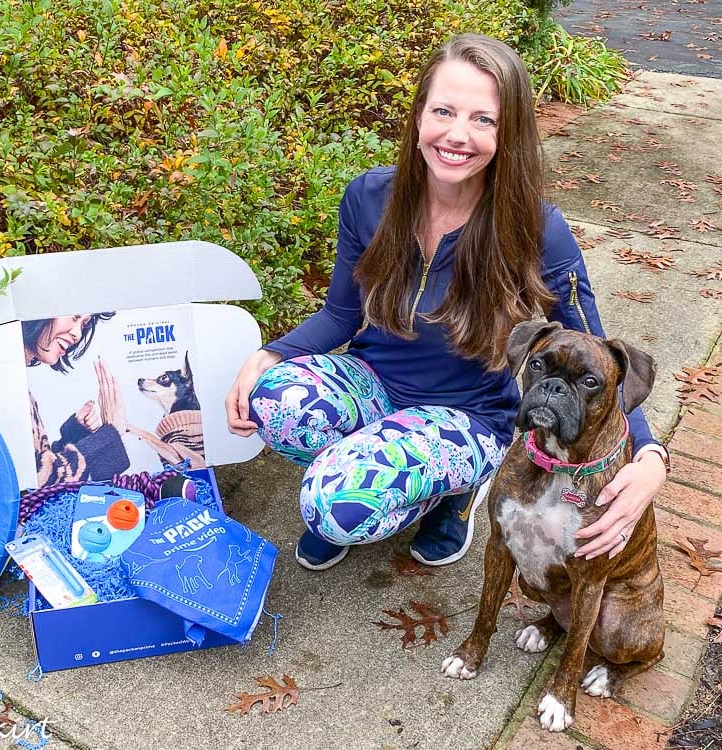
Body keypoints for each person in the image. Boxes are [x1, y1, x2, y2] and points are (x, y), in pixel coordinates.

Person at [225, 34, 669, 571]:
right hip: (375, 383)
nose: (457, 135)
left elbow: (595, 346)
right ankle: (370, 466)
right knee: (272, 400)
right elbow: (341, 314)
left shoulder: (536, 228)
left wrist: (649, 454)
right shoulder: (369, 198)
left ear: (508, 135)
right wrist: (267, 355)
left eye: (484, 119)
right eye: (444, 111)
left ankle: (451, 492)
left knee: (333, 507)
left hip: (471, 414)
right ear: (418, 117)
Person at [23, 314, 132, 487]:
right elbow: (35, 482)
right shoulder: (1, 379)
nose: (77, 334)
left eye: (83, 324)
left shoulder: (15, 379)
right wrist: (109, 435)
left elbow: (35, 467)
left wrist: (75, 435)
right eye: (75, 317)